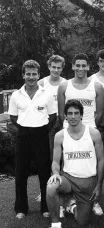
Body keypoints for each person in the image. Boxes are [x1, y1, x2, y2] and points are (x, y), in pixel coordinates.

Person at [46, 99, 104, 228]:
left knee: (82, 221)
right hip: (68, 179)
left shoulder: (94, 133)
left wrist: (99, 186)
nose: (73, 116)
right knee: (51, 187)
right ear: (65, 116)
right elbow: (55, 161)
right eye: (69, 113)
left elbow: (102, 160)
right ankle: (56, 227)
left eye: (76, 113)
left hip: (88, 181)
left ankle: (71, 207)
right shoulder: (60, 135)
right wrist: (55, 173)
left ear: (81, 115)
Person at [57, 53, 104, 216]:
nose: (81, 68)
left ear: (88, 67)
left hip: (89, 130)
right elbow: (61, 113)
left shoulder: (96, 86)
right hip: (68, 131)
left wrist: (90, 127)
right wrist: (70, 126)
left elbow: (99, 113)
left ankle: (95, 200)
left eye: (84, 65)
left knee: (93, 163)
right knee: (66, 164)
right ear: (72, 66)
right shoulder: (64, 86)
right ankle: (66, 202)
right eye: (77, 65)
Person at [8, 60, 57, 219]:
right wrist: (25, 127)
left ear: (38, 75)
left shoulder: (46, 94)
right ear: (23, 75)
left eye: (34, 74)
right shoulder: (16, 95)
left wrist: (42, 129)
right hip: (23, 136)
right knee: (21, 172)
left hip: (41, 134)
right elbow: (13, 117)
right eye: (28, 74)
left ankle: (45, 207)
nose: (31, 77)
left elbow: (53, 116)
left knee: (44, 172)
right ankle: (21, 208)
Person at [35, 55, 66, 215]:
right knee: (48, 157)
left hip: (63, 124)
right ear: (49, 67)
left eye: (58, 67)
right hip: (47, 124)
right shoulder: (41, 83)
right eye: (53, 67)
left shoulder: (65, 83)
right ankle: (46, 188)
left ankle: (65, 189)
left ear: (62, 68)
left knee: (63, 158)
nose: (56, 70)